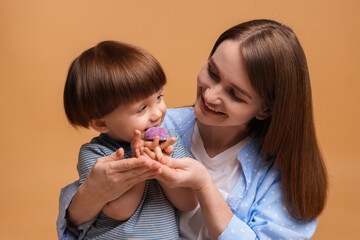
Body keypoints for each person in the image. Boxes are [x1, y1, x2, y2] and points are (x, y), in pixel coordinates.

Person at [57, 19, 328, 239]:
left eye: (235, 94)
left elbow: (186, 201)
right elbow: (77, 224)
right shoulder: (161, 128)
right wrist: (89, 196)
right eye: (212, 72)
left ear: (265, 109)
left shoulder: (281, 172)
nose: (210, 96)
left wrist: (203, 184)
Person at [59, 40, 197, 239]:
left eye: (159, 97)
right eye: (142, 108)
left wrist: (162, 164)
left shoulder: (169, 145)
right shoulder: (98, 156)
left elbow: (188, 202)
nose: (157, 113)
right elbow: (120, 210)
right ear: (102, 124)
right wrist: (141, 164)